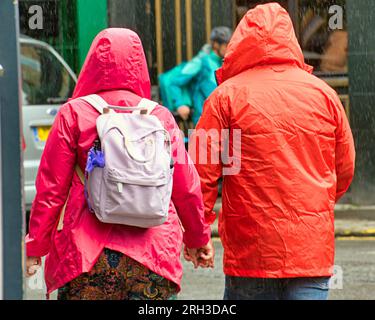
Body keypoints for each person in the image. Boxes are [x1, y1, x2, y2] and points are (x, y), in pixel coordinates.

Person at [25, 28, 214, 300]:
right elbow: (186, 186)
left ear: (91, 63)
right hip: (153, 257)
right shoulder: (159, 116)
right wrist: (198, 239)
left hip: (87, 256)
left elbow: (51, 190)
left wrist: (36, 247)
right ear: (140, 65)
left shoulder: (74, 113)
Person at [191, 3, 355, 301]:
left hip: (251, 253)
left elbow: (199, 171)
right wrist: (315, 204)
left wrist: (197, 233)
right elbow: (344, 168)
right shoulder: (325, 95)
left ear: (241, 41)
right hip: (310, 252)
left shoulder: (222, 98)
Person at [159, 26, 232, 126]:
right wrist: (180, 104)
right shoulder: (201, 61)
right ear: (216, 44)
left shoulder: (224, 63)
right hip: (203, 120)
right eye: (226, 44)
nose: (228, 48)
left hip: (222, 119)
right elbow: (174, 82)